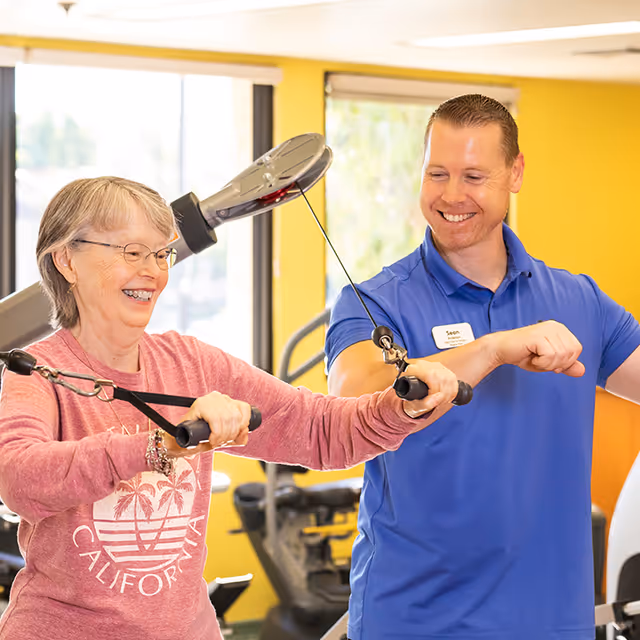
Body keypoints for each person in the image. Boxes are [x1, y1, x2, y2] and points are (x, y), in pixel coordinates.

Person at [0, 176, 465, 640]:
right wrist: (155, 448)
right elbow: (19, 479)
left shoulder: (191, 363)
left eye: (161, 254)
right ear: (67, 260)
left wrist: (401, 406)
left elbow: (321, 431)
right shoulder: (38, 371)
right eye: (131, 251)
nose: (154, 271)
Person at [326, 94, 640, 640]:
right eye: (437, 173)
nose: (451, 196)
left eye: (473, 175)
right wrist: (493, 349)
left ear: (515, 173)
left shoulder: (578, 299)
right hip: (415, 623)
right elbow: (350, 398)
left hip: (553, 623)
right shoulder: (375, 302)